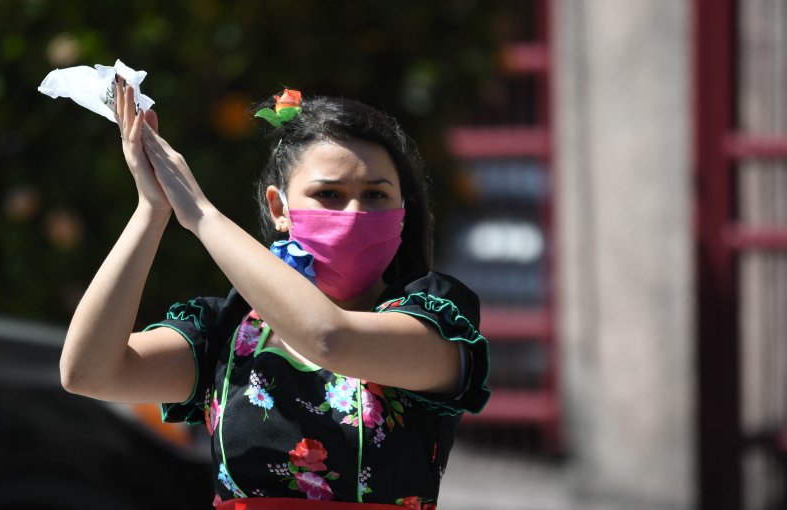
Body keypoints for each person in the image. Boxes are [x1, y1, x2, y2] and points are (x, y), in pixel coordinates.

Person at [60, 79, 490, 509]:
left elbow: (330, 339)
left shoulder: (436, 317)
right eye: (329, 194)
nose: (355, 213)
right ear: (279, 208)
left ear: (402, 213)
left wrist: (201, 214)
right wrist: (151, 211)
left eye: (376, 195)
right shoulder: (228, 328)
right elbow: (88, 371)